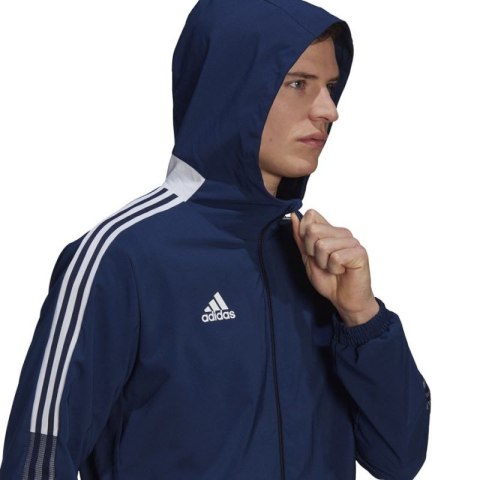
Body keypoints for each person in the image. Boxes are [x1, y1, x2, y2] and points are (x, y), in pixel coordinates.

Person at [0, 0, 430, 478]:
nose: (330, 110)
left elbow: (400, 458)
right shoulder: (122, 256)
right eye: (298, 84)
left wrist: (361, 317)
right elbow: (38, 457)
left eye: (330, 87)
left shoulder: (318, 261)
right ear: (232, 88)